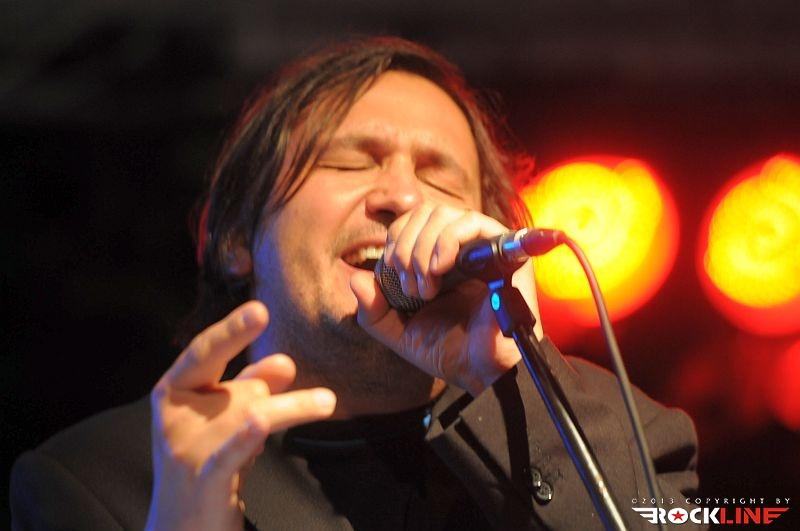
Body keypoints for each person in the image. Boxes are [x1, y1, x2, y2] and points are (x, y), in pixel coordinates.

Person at [10, 36, 700, 530]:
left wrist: (517, 380)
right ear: (236, 238)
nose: (402, 196)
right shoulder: (100, 481)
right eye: (349, 162)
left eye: (439, 176)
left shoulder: (632, 438)